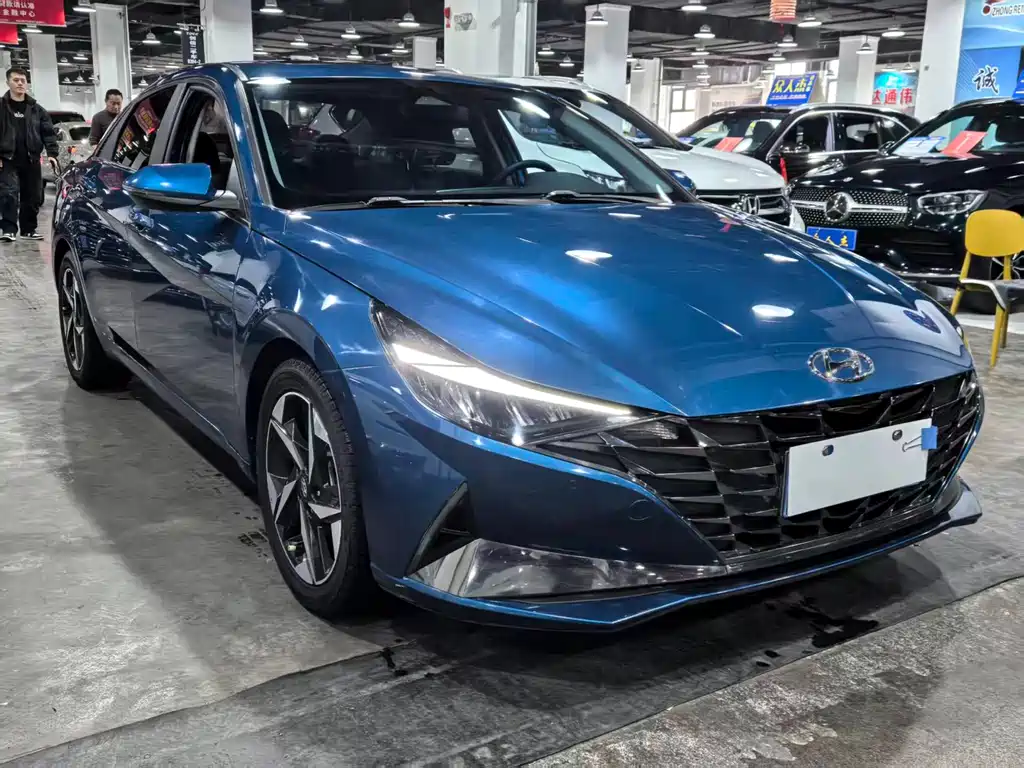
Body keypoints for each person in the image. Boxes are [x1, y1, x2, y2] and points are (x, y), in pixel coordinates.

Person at [0, 67, 60, 242]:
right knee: (8, 194)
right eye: (16, 80)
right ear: (8, 82)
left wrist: (52, 153)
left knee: (33, 196)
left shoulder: (36, 109)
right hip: (7, 159)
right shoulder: (1, 107)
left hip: (31, 158)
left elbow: (48, 132)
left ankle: (28, 230)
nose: (20, 83)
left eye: (23, 80)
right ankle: (9, 230)